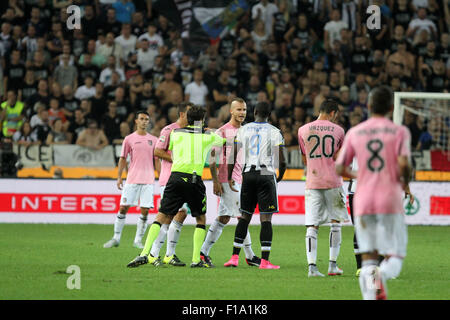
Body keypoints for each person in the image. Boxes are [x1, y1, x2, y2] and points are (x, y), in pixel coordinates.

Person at [336, 86, 413, 300]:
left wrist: (362, 174)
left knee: (368, 259)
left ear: (368, 106)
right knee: (395, 256)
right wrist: (404, 181)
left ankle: (372, 295)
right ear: (391, 107)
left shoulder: (355, 132)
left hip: (363, 200)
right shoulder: (399, 132)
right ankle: (382, 273)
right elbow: (404, 164)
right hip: (389, 198)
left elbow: (340, 168)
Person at [127, 105, 227, 268]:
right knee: (200, 218)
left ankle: (145, 253)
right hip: (194, 180)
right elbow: (224, 138)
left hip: (174, 179)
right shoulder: (208, 136)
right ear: (202, 120)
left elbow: (172, 149)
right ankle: (196, 260)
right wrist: (208, 130)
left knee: (161, 215)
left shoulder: (175, 133)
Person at [224, 101, 286, 269]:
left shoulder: (243, 129)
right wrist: (279, 176)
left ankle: (234, 257)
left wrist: (230, 177)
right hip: (266, 173)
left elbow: (233, 156)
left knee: (244, 216)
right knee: (266, 218)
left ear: (255, 112)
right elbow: (282, 160)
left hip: (247, 173)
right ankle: (265, 261)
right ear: (269, 114)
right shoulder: (275, 131)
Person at [199, 98, 261, 268]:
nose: (242, 113)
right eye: (239, 109)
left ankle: (203, 252)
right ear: (231, 111)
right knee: (243, 216)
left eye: (244, 110)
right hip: (228, 180)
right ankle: (250, 256)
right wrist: (215, 181)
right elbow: (212, 157)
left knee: (224, 218)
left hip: (242, 179)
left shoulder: (247, 131)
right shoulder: (222, 132)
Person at [138, 102, 194, 267]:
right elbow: (157, 151)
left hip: (185, 180)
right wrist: (178, 160)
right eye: (190, 113)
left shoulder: (192, 131)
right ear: (182, 114)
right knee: (168, 216)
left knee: (181, 214)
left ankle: (168, 254)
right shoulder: (169, 130)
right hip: (169, 180)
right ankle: (154, 254)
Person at [298, 99, 347, 277]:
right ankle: (332, 265)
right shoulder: (339, 131)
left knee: (312, 225)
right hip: (333, 181)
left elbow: (304, 159)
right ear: (333, 113)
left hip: (313, 181)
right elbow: (339, 157)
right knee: (336, 223)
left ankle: (312, 267)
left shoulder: (303, 130)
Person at [103, 111, 160, 249]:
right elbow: (122, 159)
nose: (144, 121)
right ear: (136, 121)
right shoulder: (129, 139)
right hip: (132, 179)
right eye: (141, 119)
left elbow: (157, 160)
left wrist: (161, 176)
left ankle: (138, 240)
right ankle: (116, 238)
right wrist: (119, 177)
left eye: (147, 119)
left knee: (145, 210)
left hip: (148, 180)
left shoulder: (154, 140)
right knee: (123, 208)